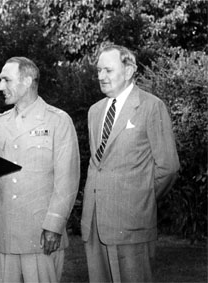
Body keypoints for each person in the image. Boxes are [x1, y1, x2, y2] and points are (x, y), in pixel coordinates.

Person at [0, 57, 80, 283]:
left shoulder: (58, 121)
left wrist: (54, 225)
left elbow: (67, 181)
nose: (0, 87)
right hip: (5, 233)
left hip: (40, 234)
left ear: (28, 80)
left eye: (6, 80)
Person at [81, 44, 180, 282]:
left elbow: (168, 168)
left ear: (129, 71)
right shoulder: (95, 111)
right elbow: (99, 164)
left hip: (132, 224)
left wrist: (138, 198)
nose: (101, 76)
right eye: (99, 71)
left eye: (108, 70)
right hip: (94, 224)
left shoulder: (150, 106)